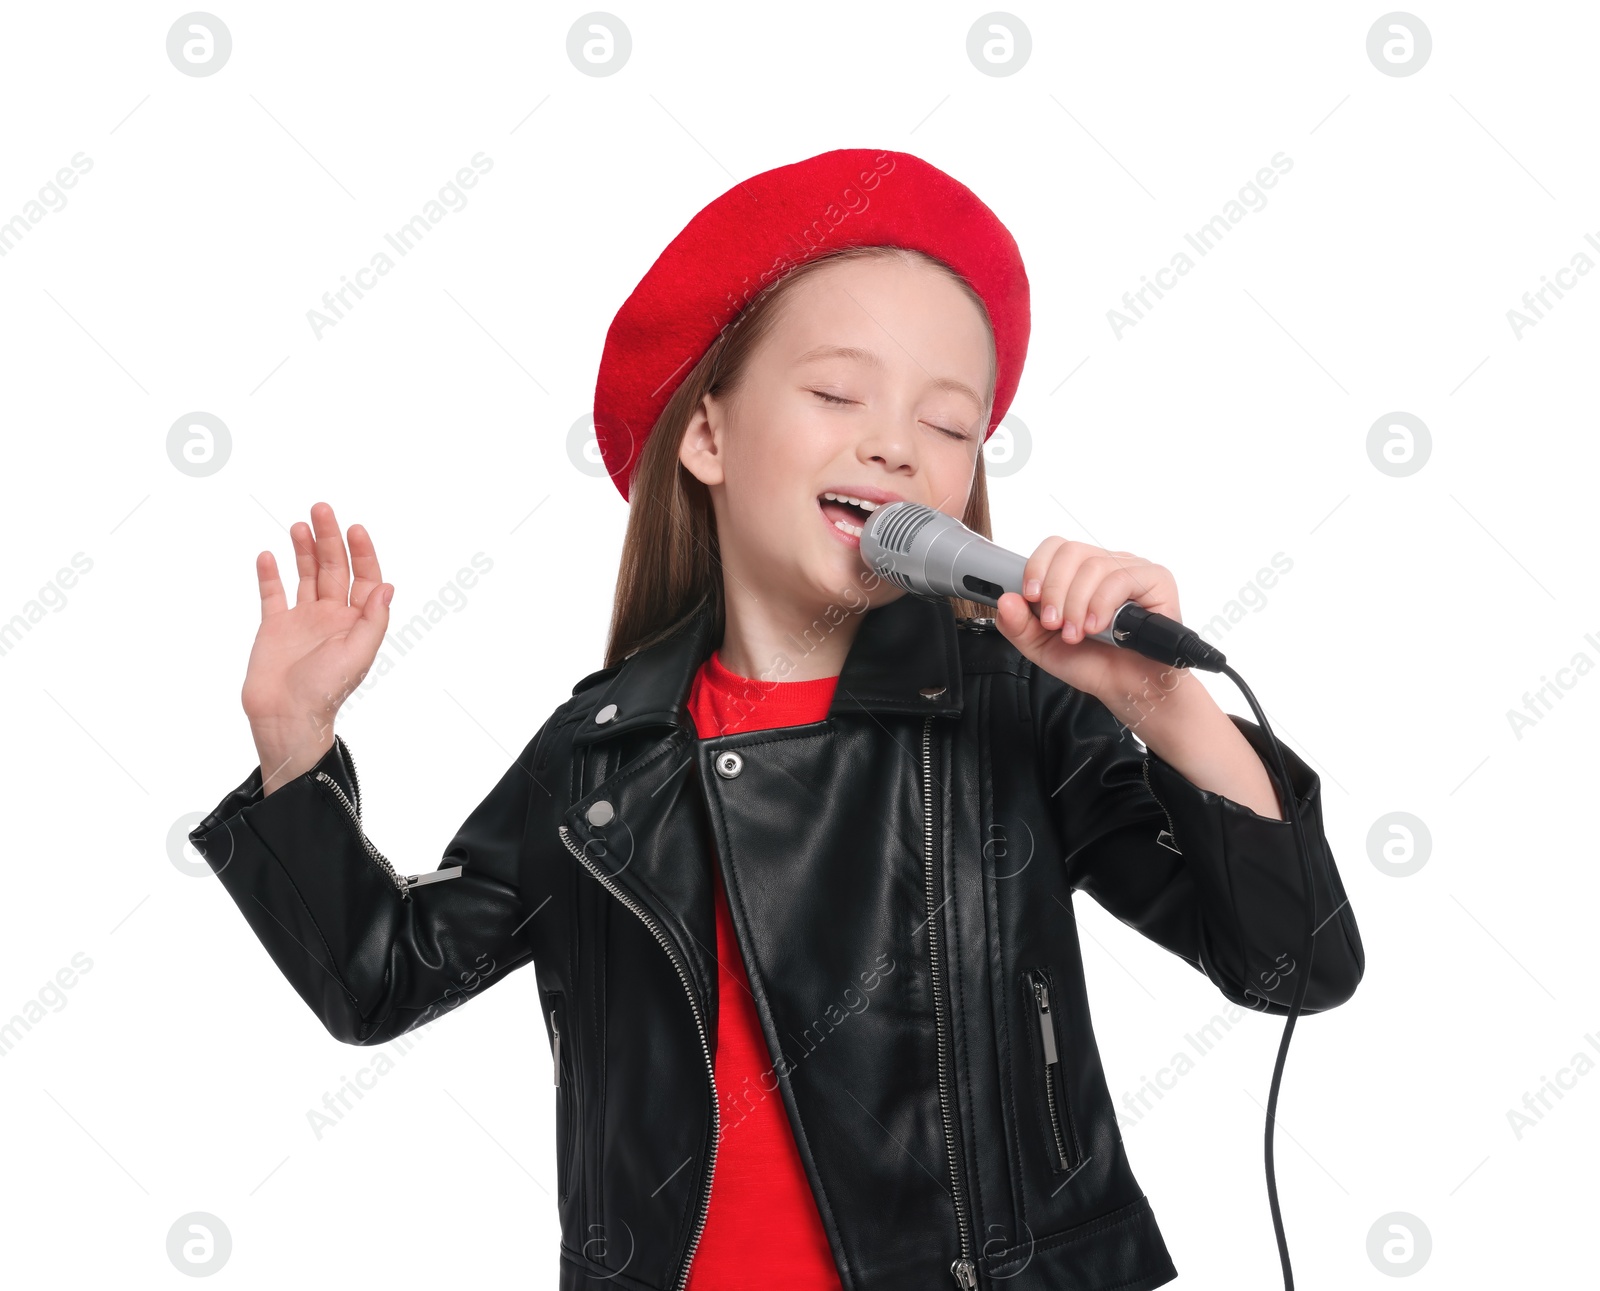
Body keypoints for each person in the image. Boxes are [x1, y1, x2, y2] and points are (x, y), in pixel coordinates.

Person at [189, 148, 1364, 1291]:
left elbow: (1296, 963)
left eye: (951, 425)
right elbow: (381, 981)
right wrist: (295, 744)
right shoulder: (606, 752)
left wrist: (1162, 702)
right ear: (706, 435)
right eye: (838, 392)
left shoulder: (1015, 711)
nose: (896, 442)